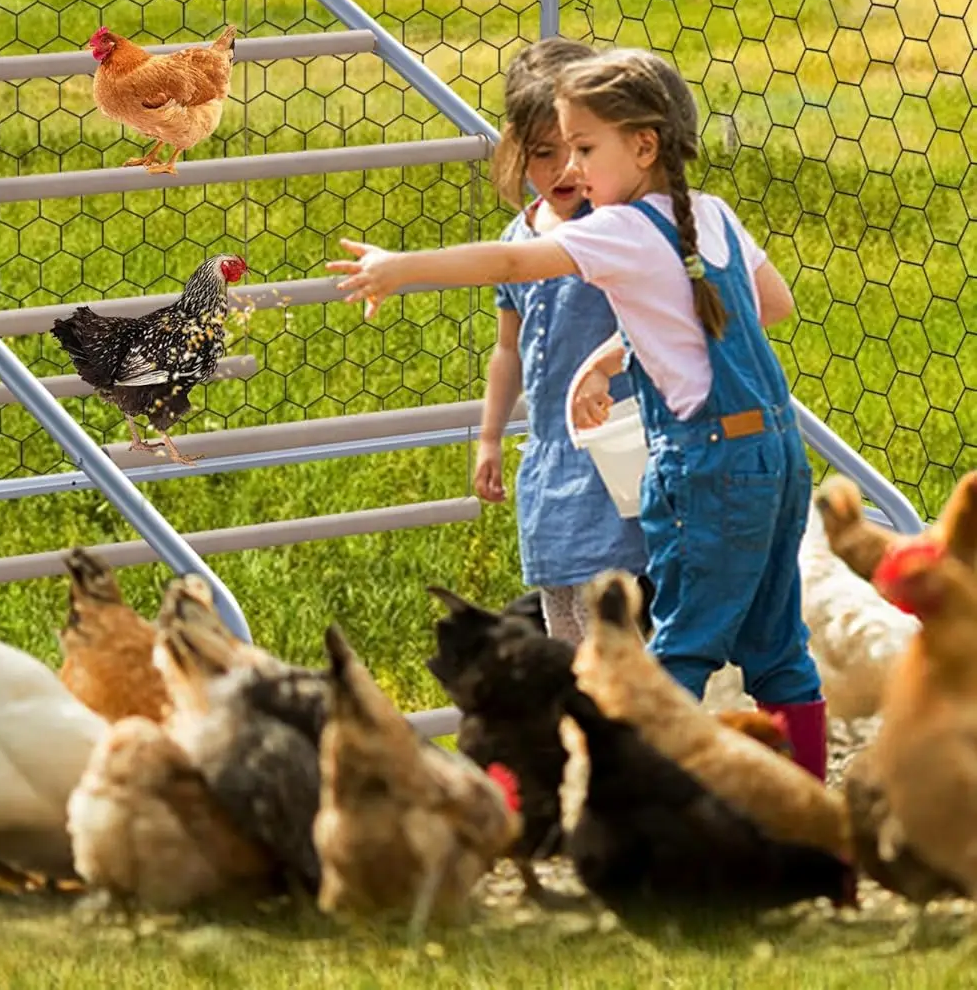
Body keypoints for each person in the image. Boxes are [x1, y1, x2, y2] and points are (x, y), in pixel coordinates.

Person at [329, 46, 825, 779]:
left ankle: (652, 823)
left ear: (643, 145)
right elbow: (767, 305)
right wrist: (623, 350)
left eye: (587, 148)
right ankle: (813, 821)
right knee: (780, 651)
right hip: (776, 457)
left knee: (675, 654)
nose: (576, 168)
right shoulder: (710, 215)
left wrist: (401, 266)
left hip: (709, 465)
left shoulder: (619, 229)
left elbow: (509, 264)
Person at [478, 39, 647, 644]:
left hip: (616, 447)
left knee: (619, 617)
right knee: (562, 616)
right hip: (550, 456)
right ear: (515, 149)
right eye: (543, 154)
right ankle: (580, 722)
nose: (562, 171)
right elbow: (507, 349)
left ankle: (629, 721)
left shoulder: (614, 229)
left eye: (578, 150)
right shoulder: (518, 233)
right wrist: (491, 437)